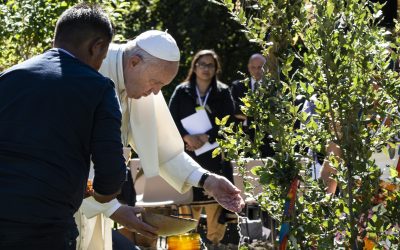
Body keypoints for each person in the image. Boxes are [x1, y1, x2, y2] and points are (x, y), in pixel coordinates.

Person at [76, 32, 245, 249]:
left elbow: (164, 151)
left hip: (98, 208)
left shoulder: (140, 80)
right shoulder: (91, 70)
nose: (156, 92)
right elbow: (71, 157)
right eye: (155, 83)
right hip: (65, 207)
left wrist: (208, 181)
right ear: (135, 62)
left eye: (162, 86)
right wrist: (113, 210)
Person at [0, 3, 126, 250]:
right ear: (97, 46)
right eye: (103, 56)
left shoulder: (9, 76)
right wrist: (99, 195)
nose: (101, 62)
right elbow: (111, 174)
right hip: (44, 223)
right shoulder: (98, 88)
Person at [168, 49, 236, 247]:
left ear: (216, 69)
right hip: (188, 155)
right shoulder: (182, 91)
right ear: (194, 67)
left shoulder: (223, 92)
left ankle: (215, 243)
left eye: (210, 65)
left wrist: (209, 136)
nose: (206, 69)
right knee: (190, 207)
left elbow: (229, 121)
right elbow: (170, 119)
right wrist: (186, 136)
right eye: (202, 64)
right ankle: (189, 243)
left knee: (215, 203)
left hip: (214, 155)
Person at [230, 53, 275, 157]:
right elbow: (234, 108)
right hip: (245, 138)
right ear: (248, 68)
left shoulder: (273, 87)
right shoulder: (238, 86)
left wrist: (247, 115)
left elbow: (274, 111)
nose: (256, 71)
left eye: (260, 67)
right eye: (253, 67)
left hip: (268, 140)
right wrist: (259, 115)